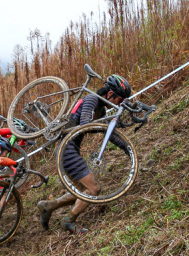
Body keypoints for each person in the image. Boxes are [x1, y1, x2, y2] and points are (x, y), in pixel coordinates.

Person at [38, 74, 132, 234]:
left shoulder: (100, 109)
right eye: (120, 100)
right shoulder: (92, 99)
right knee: (93, 189)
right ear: (110, 94)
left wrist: (127, 148)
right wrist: (103, 123)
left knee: (82, 191)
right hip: (67, 150)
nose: (119, 104)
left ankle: (48, 206)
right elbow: (85, 124)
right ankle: (68, 221)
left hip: (69, 149)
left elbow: (107, 134)